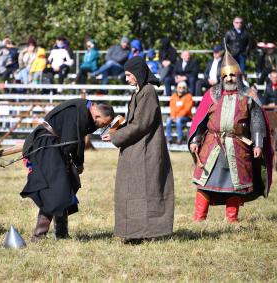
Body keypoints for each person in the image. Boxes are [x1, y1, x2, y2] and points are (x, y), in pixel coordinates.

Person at [188, 49, 273, 223]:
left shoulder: (249, 95)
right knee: (204, 183)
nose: (229, 79)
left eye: (233, 76)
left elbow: (258, 122)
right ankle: (199, 218)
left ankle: (231, 219)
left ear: (239, 76)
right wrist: (196, 139)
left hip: (238, 146)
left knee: (235, 185)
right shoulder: (212, 94)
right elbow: (201, 120)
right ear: (221, 78)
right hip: (213, 144)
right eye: (226, 76)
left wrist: (257, 144)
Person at [101, 56, 175, 242]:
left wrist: (116, 136)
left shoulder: (148, 92)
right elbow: (135, 122)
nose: (126, 79)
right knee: (131, 190)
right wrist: (117, 128)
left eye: (128, 75)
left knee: (147, 191)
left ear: (138, 73)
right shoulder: (139, 92)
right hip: (137, 147)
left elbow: (142, 124)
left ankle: (148, 232)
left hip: (147, 149)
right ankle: (133, 232)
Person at [21, 99, 115, 242]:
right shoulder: (76, 112)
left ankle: (62, 233)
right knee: (54, 190)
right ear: (96, 115)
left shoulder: (84, 111)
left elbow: (78, 139)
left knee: (66, 185)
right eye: (103, 123)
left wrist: (78, 163)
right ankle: (38, 236)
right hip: (45, 144)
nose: (102, 126)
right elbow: (71, 143)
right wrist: (76, 162)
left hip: (56, 144)